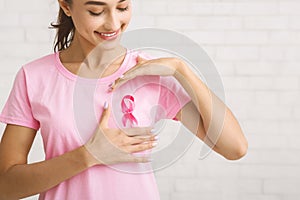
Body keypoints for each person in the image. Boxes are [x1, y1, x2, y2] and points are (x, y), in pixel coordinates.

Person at [0, 0, 248, 199]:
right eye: (96, 11)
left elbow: (234, 147)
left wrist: (181, 70)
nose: (113, 23)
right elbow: (6, 186)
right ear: (66, 6)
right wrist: (89, 155)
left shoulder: (148, 72)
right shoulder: (34, 77)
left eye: (122, 7)